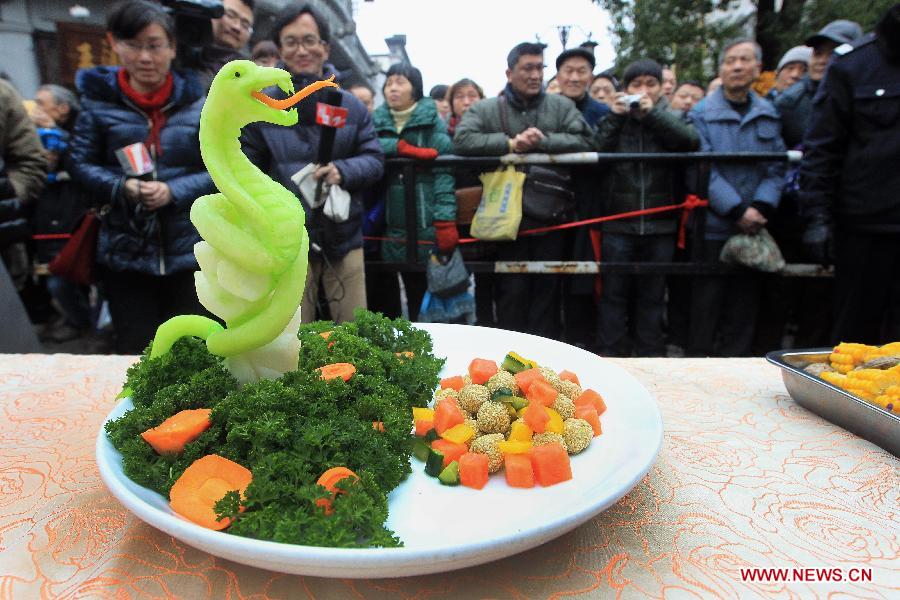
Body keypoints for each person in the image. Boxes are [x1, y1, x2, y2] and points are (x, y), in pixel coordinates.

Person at [67, 0, 215, 354]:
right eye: (134, 45)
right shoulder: (97, 104)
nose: (145, 57)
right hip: (125, 252)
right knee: (136, 352)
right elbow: (79, 164)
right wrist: (123, 186)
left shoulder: (199, 106)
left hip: (187, 252)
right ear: (114, 43)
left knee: (193, 352)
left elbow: (216, 169)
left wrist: (174, 190)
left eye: (154, 45)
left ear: (172, 47)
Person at [241, 3, 384, 324]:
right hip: (286, 241)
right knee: (291, 335)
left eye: (309, 40)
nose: (301, 50)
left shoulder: (351, 106)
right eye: (291, 42)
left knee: (353, 332)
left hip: (344, 235)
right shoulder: (261, 108)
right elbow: (246, 170)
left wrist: (343, 171)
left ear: (325, 47)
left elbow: (374, 159)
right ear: (280, 50)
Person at [453, 41, 593, 339]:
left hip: (551, 215)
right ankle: (509, 358)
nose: (535, 75)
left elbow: (586, 140)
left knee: (548, 291)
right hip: (505, 219)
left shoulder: (560, 106)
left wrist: (542, 142)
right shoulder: (488, 108)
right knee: (510, 292)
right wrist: (510, 144)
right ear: (509, 72)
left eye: (539, 67)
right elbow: (463, 140)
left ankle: (546, 362)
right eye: (527, 68)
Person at [799, 4, 900, 344]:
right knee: (857, 338)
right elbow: (822, 148)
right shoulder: (854, 66)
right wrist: (817, 217)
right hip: (866, 227)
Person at [592, 59, 699, 356]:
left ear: (661, 87)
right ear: (624, 89)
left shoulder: (671, 116)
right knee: (613, 294)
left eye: (649, 84)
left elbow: (689, 141)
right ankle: (610, 354)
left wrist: (653, 116)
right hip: (618, 222)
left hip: (661, 222)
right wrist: (614, 116)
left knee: (653, 295)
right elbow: (595, 148)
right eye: (635, 85)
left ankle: (651, 354)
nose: (642, 91)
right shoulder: (613, 117)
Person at [687, 39, 785, 357]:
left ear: (758, 68)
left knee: (744, 305)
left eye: (745, 60)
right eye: (731, 61)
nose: (738, 67)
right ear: (721, 68)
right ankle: (698, 368)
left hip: (754, 226)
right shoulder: (700, 113)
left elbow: (776, 166)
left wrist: (760, 206)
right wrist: (736, 209)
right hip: (714, 224)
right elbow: (702, 167)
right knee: (705, 304)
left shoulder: (768, 113)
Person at [373, 63, 456, 320]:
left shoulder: (432, 123)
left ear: (415, 88)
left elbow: (445, 175)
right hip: (382, 225)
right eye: (388, 83)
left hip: (423, 222)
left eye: (400, 82)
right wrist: (399, 147)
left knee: (420, 291)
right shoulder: (375, 120)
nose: (393, 88)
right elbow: (363, 145)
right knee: (384, 299)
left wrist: (444, 220)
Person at [30, 84, 94, 343]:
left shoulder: (82, 131)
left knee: (70, 273)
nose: (35, 110)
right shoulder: (36, 133)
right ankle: (78, 321)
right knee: (57, 276)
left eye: (41, 103)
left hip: (76, 217)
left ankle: (87, 324)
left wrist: (54, 133)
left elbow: (80, 164)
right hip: (48, 219)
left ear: (63, 108)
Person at [776, 20, 862, 148]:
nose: (822, 61)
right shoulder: (789, 103)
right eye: (818, 53)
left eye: (833, 54)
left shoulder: (869, 97)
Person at [197, 0, 255, 85]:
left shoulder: (248, 75)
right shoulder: (182, 50)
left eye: (245, 25)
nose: (237, 27)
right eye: (230, 15)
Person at [555, 47, 609, 128]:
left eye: (581, 71)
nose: (574, 78)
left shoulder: (604, 113)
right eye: (569, 71)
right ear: (558, 77)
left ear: (591, 78)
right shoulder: (543, 110)